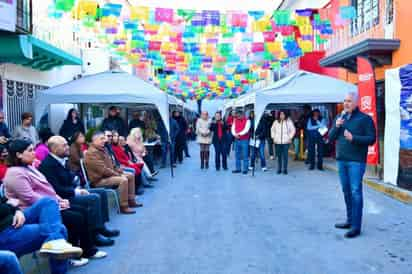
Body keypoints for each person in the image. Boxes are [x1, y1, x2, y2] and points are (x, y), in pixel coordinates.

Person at [3, 139, 103, 265]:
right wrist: (56, 202)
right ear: (18, 154)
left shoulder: (30, 167)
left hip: (48, 205)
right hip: (32, 211)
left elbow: (48, 187)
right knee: (74, 217)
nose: (34, 153)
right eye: (30, 150)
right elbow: (30, 197)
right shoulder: (14, 173)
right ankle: (70, 254)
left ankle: (86, 249)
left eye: (34, 149)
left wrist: (60, 200)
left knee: (81, 211)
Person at [38, 136, 120, 247]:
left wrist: (76, 184)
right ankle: (95, 235)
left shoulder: (61, 159)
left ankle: (101, 227)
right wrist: (76, 191)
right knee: (93, 198)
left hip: (72, 191)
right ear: (54, 149)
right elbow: (56, 189)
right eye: (64, 145)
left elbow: (70, 177)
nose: (68, 147)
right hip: (64, 198)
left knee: (101, 192)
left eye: (67, 144)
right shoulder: (47, 165)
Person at [329, 92, 376, 238]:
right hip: (341, 160)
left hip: (356, 161)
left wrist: (353, 138)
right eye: (344, 101)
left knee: (356, 192)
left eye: (349, 101)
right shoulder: (339, 118)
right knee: (346, 191)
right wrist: (336, 126)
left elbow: (372, 139)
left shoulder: (365, 119)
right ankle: (349, 221)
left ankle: (356, 226)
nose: (346, 103)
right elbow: (330, 137)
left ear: (356, 103)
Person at [0, 197, 83, 274]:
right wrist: (10, 206)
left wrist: (16, 210)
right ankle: (54, 240)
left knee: (48, 201)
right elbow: (28, 197)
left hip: (13, 219)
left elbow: (6, 200)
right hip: (4, 231)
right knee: (61, 229)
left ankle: (54, 240)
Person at [84, 131, 139, 214]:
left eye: (104, 138)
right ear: (94, 140)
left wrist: (118, 170)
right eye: (101, 139)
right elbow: (103, 170)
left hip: (108, 176)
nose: (104, 140)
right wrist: (118, 174)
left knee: (130, 175)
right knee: (123, 180)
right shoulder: (91, 153)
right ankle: (123, 206)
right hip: (99, 180)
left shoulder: (102, 149)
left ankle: (131, 200)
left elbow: (111, 164)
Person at [271, 110, 296, 175]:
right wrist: (273, 137)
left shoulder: (289, 122)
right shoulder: (276, 122)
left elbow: (293, 130)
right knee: (279, 156)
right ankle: (279, 169)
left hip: (286, 142)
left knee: (285, 156)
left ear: (285, 115)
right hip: (277, 142)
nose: (282, 116)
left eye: (283, 114)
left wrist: (289, 137)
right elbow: (272, 129)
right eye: (281, 114)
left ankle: (285, 169)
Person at [231, 110, 251, 174]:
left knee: (245, 154)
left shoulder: (248, 120)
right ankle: (238, 168)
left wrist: (239, 134)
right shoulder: (235, 120)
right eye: (237, 115)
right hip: (237, 139)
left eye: (239, 115)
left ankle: (245, 169)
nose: (238, 117)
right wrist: (235, 135)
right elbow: (232, 128)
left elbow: (246, 130)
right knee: (237, 155)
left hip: (244, 140)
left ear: (242, 115)